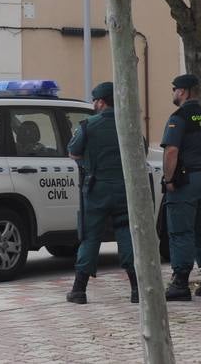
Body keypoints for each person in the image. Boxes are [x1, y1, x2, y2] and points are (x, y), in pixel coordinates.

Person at [66, 81, 137, 304]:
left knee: (90, 237)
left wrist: (89, 163)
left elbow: (74, 152)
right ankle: (137, 290)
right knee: (127, 235)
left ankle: (79, 290)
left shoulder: (88, 125)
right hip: (125, 189)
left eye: (95, 100)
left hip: (97, 189)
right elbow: (139, 152)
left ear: (101, 102)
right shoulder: (130, 125)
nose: (94, 104)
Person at [160, 73, 201, 302]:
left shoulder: (179, 117)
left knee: (181, 232)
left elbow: (171, 151)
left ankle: (180, 283)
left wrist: (168, 179)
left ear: (182, 91)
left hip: (186, 181)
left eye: (174, 89)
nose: (173, 93)